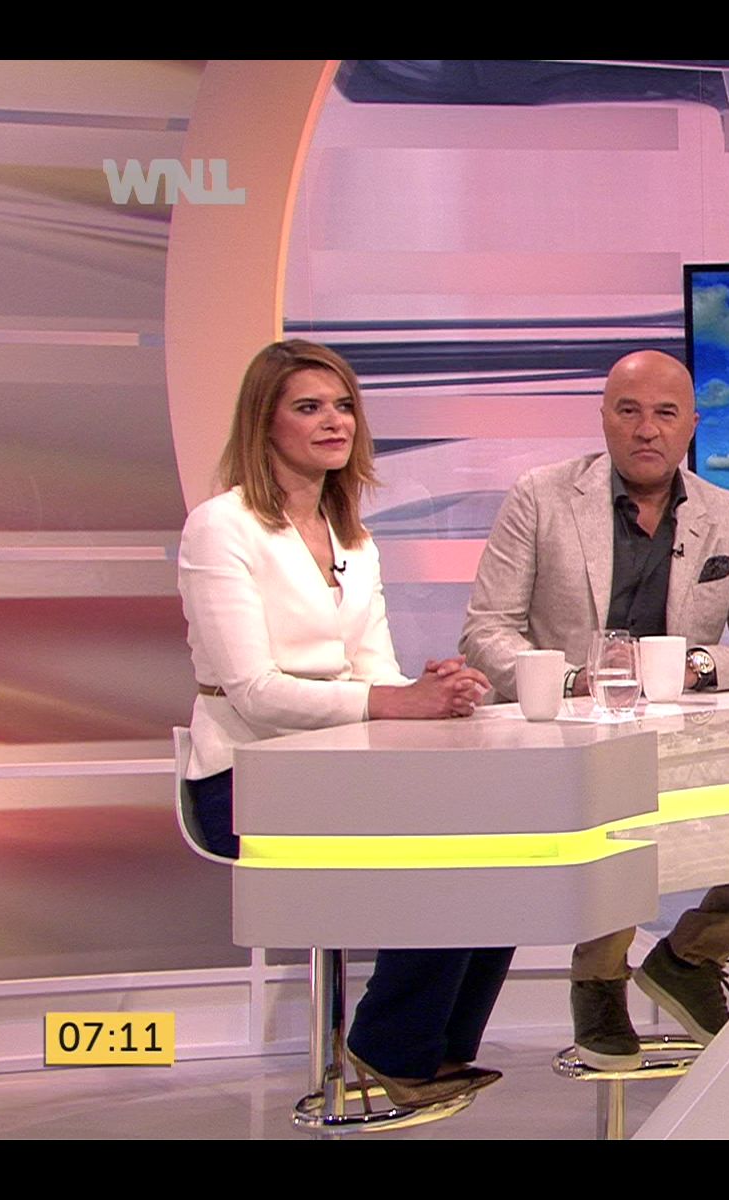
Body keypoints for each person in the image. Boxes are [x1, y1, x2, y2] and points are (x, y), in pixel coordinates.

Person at [179, 339, 511, 1109]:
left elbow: (375, 675)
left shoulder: (353, 537)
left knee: (510, 840)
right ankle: (388, 1046)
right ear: (264, 424)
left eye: (343, 407)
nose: (335, 422)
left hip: (344, 768)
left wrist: (433, 690)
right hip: (245, 778)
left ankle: (432, 1047)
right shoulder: (222, 527)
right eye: (309, 407)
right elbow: (255, 692)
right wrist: (393, 702)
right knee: (455, 848)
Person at [460, 349, 729, 1070]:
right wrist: (570, 682)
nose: (647, 429)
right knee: (625, 793)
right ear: (604, 419)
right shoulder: (541, 497)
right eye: (629, 411)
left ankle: (690, 956)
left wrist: (694, 668)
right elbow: (486, 631)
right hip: (572, 743)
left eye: (665, 414)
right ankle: (598, 979)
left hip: (685, 735)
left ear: (691, 426)